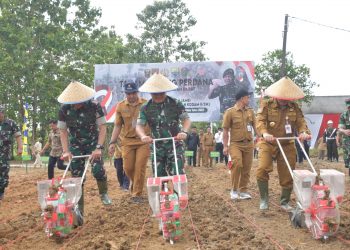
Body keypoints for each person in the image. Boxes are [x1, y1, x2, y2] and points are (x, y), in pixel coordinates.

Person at [58, 81, 112, 221]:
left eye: (78, 101)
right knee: (76, 178)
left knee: (97, 170)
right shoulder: (64, 109)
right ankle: (79, 211)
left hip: (93, 144)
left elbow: (103, 127)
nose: (76, 104)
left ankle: (103, 193)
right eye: (73, 102)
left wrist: (99, 148)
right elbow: (63, 131)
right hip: (75, 146)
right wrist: (65, 151)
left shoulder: (95, 106)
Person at [256, 77, 311, 211]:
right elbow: (260, 121)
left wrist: (304, 132)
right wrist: (264, 133)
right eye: (281, 96)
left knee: (288, 173)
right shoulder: (266, 104)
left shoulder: (294, 107)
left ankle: (284, 201)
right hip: (268, 142)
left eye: (286, 97)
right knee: (262, 168)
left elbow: (301, 122)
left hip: (287, 143)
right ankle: (264, 199)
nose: (283, 99)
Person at [136, 73, 191, 177]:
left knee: (177, 173)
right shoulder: (145, 107)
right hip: (157, 146)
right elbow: (139, 125)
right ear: (150, 93)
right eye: (155, 93)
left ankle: (178, 192)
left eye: (161, 93)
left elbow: (186, 120)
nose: (158, 96)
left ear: (165, 91)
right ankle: (160, 192)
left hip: (175, 143)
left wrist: (184, 132)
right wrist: (143, 136)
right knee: (158, 174)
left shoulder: (175, 103)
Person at [108, 81, 150, 203]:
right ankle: (135, 185)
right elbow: (117, 126)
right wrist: (112, 142)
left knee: (139, 167)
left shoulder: (146, 104)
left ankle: (137, 194)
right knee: (128, 168)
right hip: (127, 141)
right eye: (128, 93)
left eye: (133, 93)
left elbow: (152, 122)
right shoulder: (120, 106)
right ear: (125, 94)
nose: (131, 96)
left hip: (143, 140)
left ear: (137, 92)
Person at [223, 87, 258, 200]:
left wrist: (261, 136)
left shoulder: (250, 111)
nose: (249, 99)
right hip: (235, 144)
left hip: (249, 144)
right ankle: (234, 190)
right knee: (237, 164)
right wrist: (225, 146)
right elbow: (225, 130)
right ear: (242, 98)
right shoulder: (230, 112)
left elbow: (256, 127)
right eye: (247, 97)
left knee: (247, 168)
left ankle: (243, 190)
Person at [0, 104, 23, 201]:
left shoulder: (10, 123)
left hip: (5, 153)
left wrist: (20, 148)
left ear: (2, 113)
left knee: (3, 172)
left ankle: (1, 191)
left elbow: (18, 136)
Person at [337, 98, 350, 176]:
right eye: (349, 107)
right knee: (347, 158)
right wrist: (344, 131)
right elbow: (340, 128)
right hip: (347, 140)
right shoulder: (344, 115)